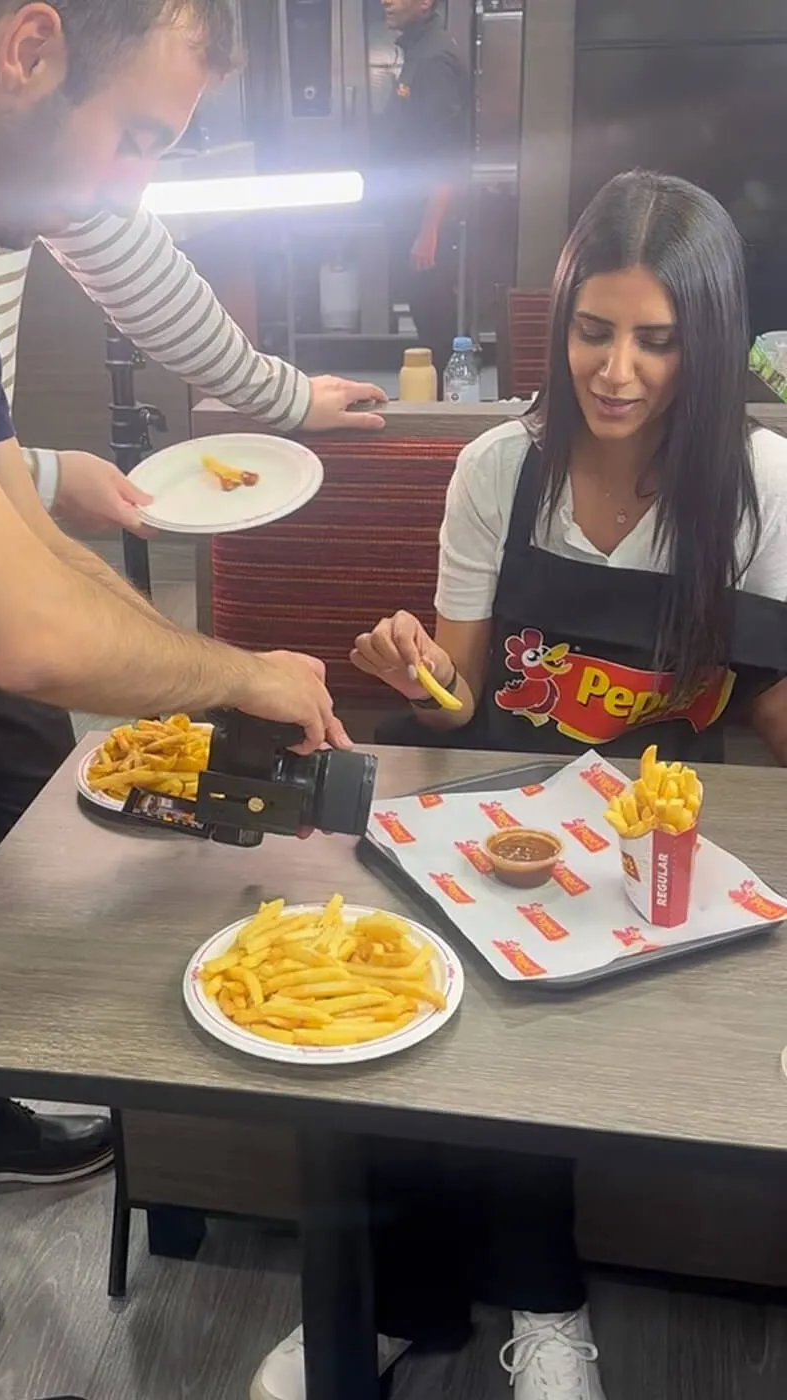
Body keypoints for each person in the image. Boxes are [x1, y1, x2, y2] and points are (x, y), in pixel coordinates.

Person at [0, 0, 389, 1341]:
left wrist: (238, 670)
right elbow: (22, 632)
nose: (127, 189)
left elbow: (15, 518)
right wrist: (232, 674)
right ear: (29, 48)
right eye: (133, 139)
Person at [253, 171, 787, 1400]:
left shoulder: (757, 485)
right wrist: (414, 670)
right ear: (559, 323)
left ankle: (545, 1305)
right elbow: (462, 693)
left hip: (651, 840)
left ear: (701, 343)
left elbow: (759, 696)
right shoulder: (502, 464)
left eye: (656, 340)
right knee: (413, 1006)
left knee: (553, 1017)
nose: (617, 370)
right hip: (492, 807)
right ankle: (403, 1305)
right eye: (593, 331)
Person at [377, 0, 471, 397]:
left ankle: (444, 418)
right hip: (411, 214)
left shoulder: (434, 59)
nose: (387, 1)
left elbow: (446, 157)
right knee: (425, 315)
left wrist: (428, 230)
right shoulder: (417, 49)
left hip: (428, 219)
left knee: (435, 322)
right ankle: (433, 408)